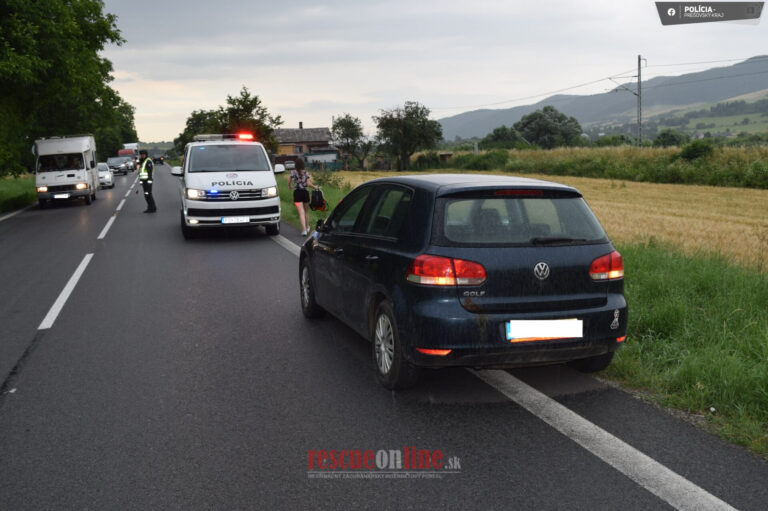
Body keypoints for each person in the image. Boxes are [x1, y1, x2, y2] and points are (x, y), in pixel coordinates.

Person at [288, 159, 318, 236]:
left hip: (297, 193)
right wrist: (314, 186)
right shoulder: (305, 172)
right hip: (305, 193)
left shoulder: (292, 172)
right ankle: (307, 227)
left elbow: (289, 182)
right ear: (302, 165)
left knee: (301, 212)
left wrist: (290, 186)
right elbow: (308, 183)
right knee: (306, 212)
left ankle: (304, 230)